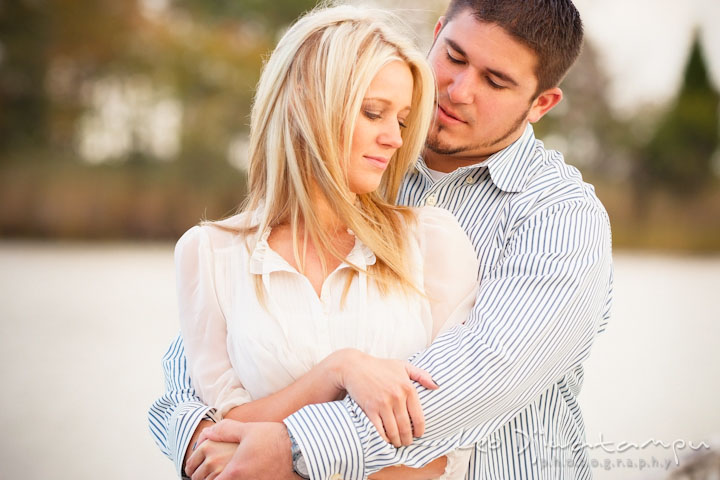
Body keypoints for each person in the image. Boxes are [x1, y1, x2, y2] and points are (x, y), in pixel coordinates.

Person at [149, 0, 614, 479]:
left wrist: (288, 448)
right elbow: (204, 350)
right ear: (436, 34)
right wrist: (199, 439)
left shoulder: (561, 218)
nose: (457, 91)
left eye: (495, 81)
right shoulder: (358, 166)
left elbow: (476, 383)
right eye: (453, 57)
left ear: (541, 103)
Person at [156, 4, 485, 480]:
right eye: (374, 112)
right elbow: (225, 434)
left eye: (402, 118)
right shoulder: (207, 254)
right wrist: (338, 370)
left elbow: (442, 450)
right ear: (308, 104)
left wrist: (282, 465)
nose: (395, 138)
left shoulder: (431, 244)